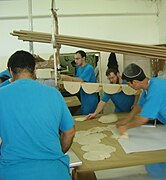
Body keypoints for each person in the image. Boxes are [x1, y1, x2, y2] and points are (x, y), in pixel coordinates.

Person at [0, 50, 75, 180]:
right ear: (34, 70)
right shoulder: (53, 94)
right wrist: (55, 154)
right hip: (55, 173)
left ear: (10, 71)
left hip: (13, 173)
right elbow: (69, 133)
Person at [61, 50, 98, 115]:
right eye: (75, 59)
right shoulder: (78, 68)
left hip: (90, 97)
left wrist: (66, 78)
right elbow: (76, 82)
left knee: (88, 116)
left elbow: (80, 80)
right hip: (83, 96)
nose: (75, 61)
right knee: (84, 114)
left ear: (83, 58)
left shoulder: (89, 68)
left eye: (77, 59)